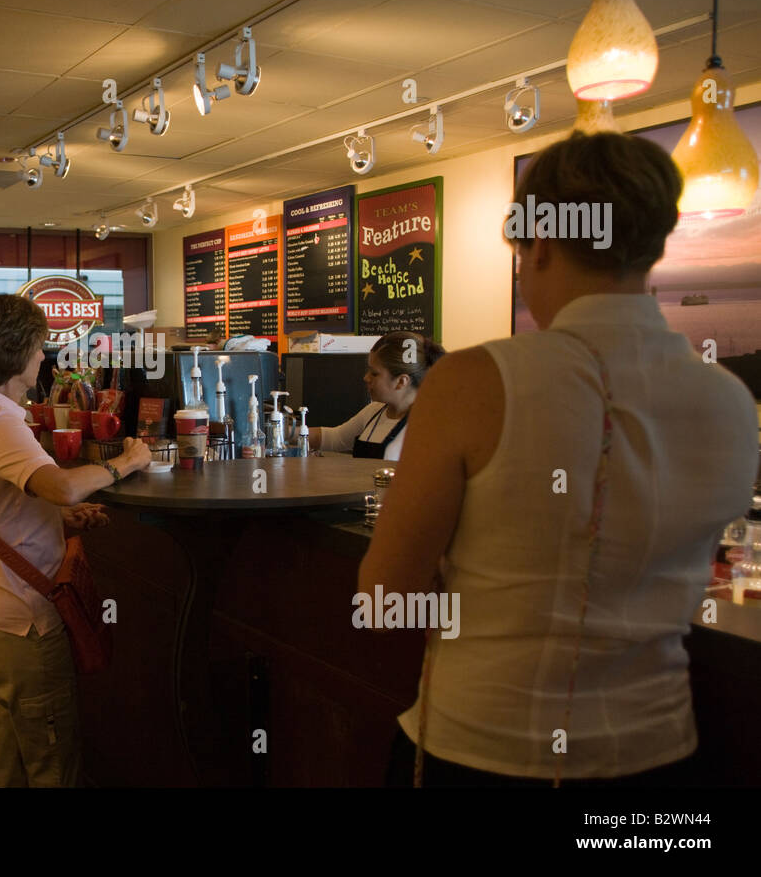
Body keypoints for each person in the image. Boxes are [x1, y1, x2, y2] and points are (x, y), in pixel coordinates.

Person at [361, 132, 758, 787]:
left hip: (485, 751)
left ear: (539, 243)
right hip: (660, 759)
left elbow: (381, 601)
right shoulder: (731, 400)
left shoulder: (471, 381)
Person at [0, 294, 153, 787]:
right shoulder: (2, 422)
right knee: (51, 760)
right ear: (16, 353)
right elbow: (58, 485)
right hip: (23, 623)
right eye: (38, 347)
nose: (44, 357)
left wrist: (59, 523)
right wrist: (127, 463)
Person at [308, 331, 445, 461]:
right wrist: (289, 432)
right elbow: (335, 439)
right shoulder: (374, 411)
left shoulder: (427, 425)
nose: (366, 378)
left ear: (401, 381)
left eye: (374, 373)